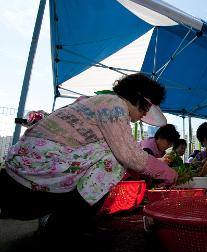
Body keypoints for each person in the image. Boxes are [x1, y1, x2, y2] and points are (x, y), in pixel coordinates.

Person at [0, 73, 177, 228]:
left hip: (25, 171)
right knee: (115, 160)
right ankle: (66, 225)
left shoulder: (96, 102)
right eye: (147, 108)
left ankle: (69, 221)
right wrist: (167, 173)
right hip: (35, 176)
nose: (143, 117)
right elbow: (131, 156)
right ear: (140, 99)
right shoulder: (115, 106)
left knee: (115, 153)